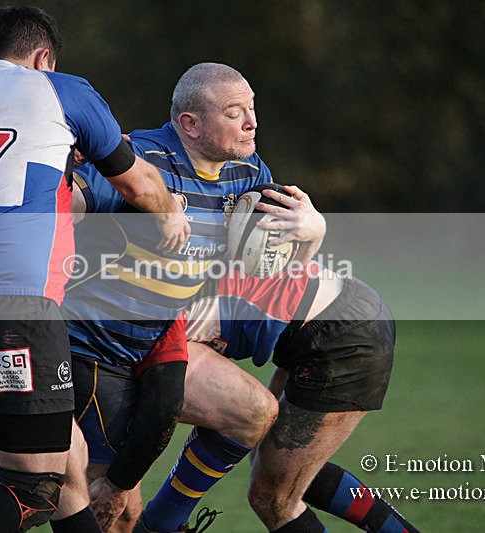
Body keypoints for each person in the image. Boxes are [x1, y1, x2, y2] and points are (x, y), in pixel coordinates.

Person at [0, 5, 188, 533]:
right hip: (16, 310)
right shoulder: (61, 89)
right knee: (32, 490)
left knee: (69, 469)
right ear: (43, 56)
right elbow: (138, 184)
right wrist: (171, 213)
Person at [63, 63, 325, 532]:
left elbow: (272, 265)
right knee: (112, 512)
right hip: (96, 345)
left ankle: (165, 524)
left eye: (252, 109)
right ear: (190, 124)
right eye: (234, 112)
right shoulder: (138, 158)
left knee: (253, 412)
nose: (251, 122)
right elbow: (73, 201)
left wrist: (312, 233)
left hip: (163, 338)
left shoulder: (248, 171)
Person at [135, 260, 420, 533]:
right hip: (336, 306)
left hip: (339, 337)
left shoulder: (143, 316)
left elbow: (160, 402)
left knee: (274, 498)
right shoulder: (148, 284)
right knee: (279, 466)